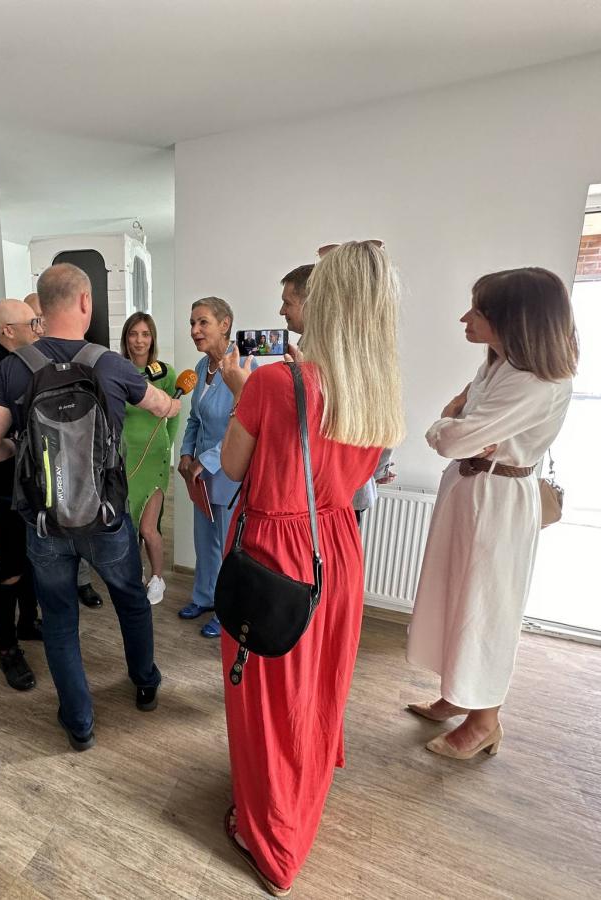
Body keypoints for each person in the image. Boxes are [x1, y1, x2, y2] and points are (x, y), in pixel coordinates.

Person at [216, 241, 406, 895]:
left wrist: (243, 391)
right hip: (338, 545)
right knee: (318, 681)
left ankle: (271, 835)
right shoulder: (377, 387)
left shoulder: (276, 383)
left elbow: (233, 466)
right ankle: (306, 780)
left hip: (277, 552)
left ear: (323, 303)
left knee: (269, 699)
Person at [0, 264, 181, 751]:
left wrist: (18, 448)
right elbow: (162, 406)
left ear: (42, 308)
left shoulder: (14, 367)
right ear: (86, 302)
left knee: (61, 619)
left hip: (45, 521)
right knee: (130, 600)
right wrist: (174, 404)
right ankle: (145, 681)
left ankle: (79, 721)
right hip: (106, 518)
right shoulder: (109, 364)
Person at [405, 267, 577, 759]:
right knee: (455, 596)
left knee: (486, 607)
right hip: (471, 489)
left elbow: (452, 436)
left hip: (498, 500)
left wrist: (448, 420)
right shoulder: (500, 366)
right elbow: (463, 433)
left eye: (478, 311)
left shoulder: (536, 382)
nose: (466, 318)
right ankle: (457, 695)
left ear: (513, 318)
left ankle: (484, 721)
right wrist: (459, 425)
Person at [281, 261, 393, 526]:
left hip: (339, 497)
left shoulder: (350, 353)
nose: (282, 311)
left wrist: (378, 467)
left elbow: (380, 416)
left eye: (287, 303)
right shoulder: (305, 347)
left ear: (312, 303)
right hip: (313, 494)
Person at [0, 299, 47, 691]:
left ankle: (27, 622)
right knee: (10, 568)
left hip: (29, 483)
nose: (38, 328)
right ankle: (7, 650)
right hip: (4, 487)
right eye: (31, 323)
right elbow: (5, 433)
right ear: (8, 331)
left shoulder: (25, 364)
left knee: (30, 559)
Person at [177, 297, 254, 638]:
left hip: (229, 472)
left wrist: (205, 461)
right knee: (204, 539)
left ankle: (227, 611)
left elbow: (245, 426)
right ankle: (204, 596)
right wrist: (186, 453)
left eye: (202, 322)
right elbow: (194, 418)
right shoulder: (200, 367)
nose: (195, 330)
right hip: (200, 475)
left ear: (225, 325)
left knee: (227, 546)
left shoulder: (243, 367)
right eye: (192, 323)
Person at [23, 293, 105, 611]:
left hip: (79, 466)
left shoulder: (89, 358)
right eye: (33, 319)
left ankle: (82, 583)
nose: (38, 325)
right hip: (47, 471)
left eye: (39, 318)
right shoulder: (18, 365)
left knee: (78, 516)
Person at [119, 312, 179, 604]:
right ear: (126, 338)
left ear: (152, 338)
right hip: (125, 457)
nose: (139, 340)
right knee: (130, 526)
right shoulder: (118, 371)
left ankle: (158, 579)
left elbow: (174, 416)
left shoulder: (165, 373)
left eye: (145, 334)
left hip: (155, 457)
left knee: (148, 527)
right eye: (133, 334)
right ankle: (136, 572)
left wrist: (167, 449)